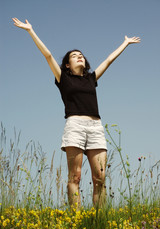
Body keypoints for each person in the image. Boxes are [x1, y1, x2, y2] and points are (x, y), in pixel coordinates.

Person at [12, 18, 141, 208]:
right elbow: (48, 55)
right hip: (75, 126)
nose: (79, 56)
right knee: (76, 176)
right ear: (67, 64)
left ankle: (99, 220)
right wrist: (30, 30)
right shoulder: (62, 78)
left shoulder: (91, 78)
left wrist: (125, 43)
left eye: (81, 54)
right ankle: (76, 219)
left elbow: (109, 60)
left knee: (100, 178)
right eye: (74, 55)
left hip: (95, 126)